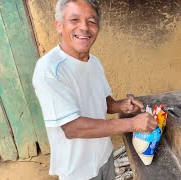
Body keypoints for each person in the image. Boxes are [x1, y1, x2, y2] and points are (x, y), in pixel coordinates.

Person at [32, 0, 158, 179]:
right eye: (74, 20)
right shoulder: (49, 70)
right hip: (77, 170)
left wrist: (121, 105)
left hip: (104, 157)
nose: (84, 27)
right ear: (59, 26)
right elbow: (73, 128)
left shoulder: (95, 63)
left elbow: (103, 102)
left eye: (91, 21)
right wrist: (132, 124)